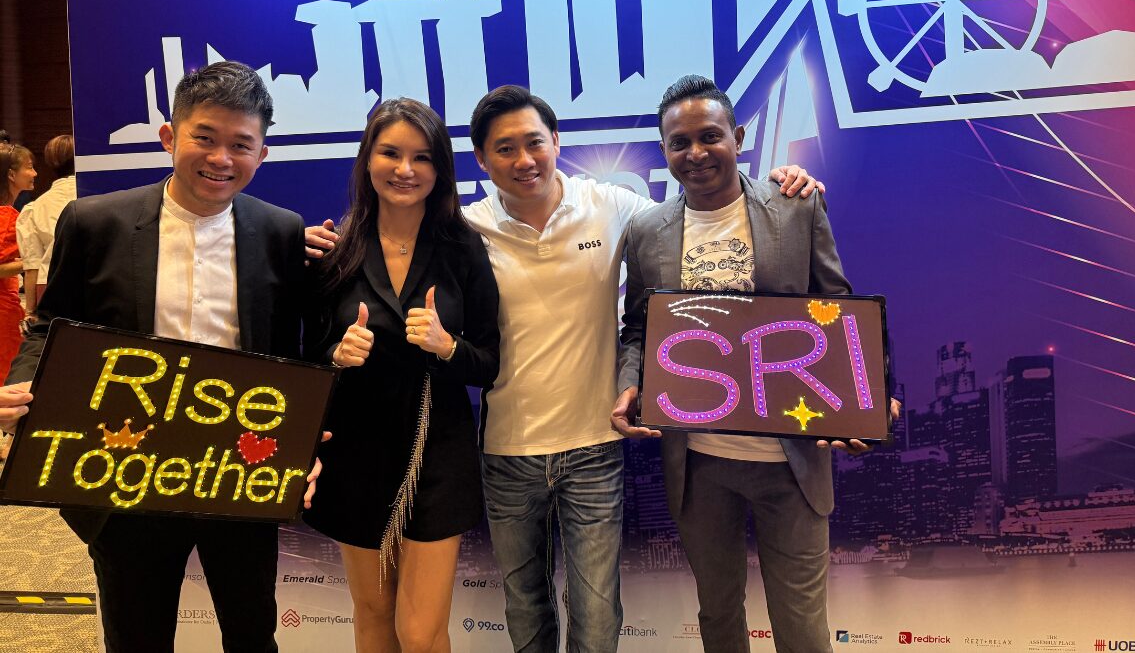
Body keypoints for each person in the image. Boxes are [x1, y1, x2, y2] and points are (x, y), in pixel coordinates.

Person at [306, 84, 820, 653]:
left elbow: (697, 212)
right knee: (525, 614)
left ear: (556, 140)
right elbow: (387, 252)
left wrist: (779, 184)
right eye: (504, 149)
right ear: (481, 160)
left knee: (596, 622)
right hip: (505, 451)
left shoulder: (615, 207)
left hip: (594, 447)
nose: (523, 160)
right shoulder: (465, 232)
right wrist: (312, 244)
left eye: (534, 142)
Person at [0, 61, 322, 653]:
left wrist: (302, 446)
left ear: (262, 153)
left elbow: (291, 356)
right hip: (126, 464)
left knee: (252, 633)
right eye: (205, 137)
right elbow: (51, 325)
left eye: (240, 145)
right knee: (137, 635)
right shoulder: (95, 221)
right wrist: (25, 386)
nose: (221, 158)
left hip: (238, 468)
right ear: (170, 136)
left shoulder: (280, 231)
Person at [613, 75, 892, 653]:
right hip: (698, 463)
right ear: (664, 150)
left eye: (710, 136)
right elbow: (638, 327)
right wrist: (628, 383)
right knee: (718, 616)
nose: (696, 153)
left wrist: (867, 396)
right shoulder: (645, 231)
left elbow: (836, 307)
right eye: (679, 142)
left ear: (737, 138)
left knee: (802, 630)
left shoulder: (795, 205)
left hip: (791, 462)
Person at [303, 98, 500, 653]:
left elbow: (490, 364)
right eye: (390, 153)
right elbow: (307, 360)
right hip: (355, 451)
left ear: (440, 169)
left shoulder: (463, 247)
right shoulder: (334, 250)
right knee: (372, 612)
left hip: (435, 452)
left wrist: (447, 346)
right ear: (368, 159)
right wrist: (337, 356)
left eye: (422, 157)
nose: (405, 170)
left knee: (419, 632)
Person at [16, 134, 76, 319]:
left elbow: (32, 265)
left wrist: (31, 312)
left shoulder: (34, 208)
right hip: (95, 281)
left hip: (49, 286)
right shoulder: (99, 196)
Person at [0, 142, 36, 380]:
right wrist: (33, 261)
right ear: (11, 175)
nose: (34, 173)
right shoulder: (6, 217)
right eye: (29, 167)